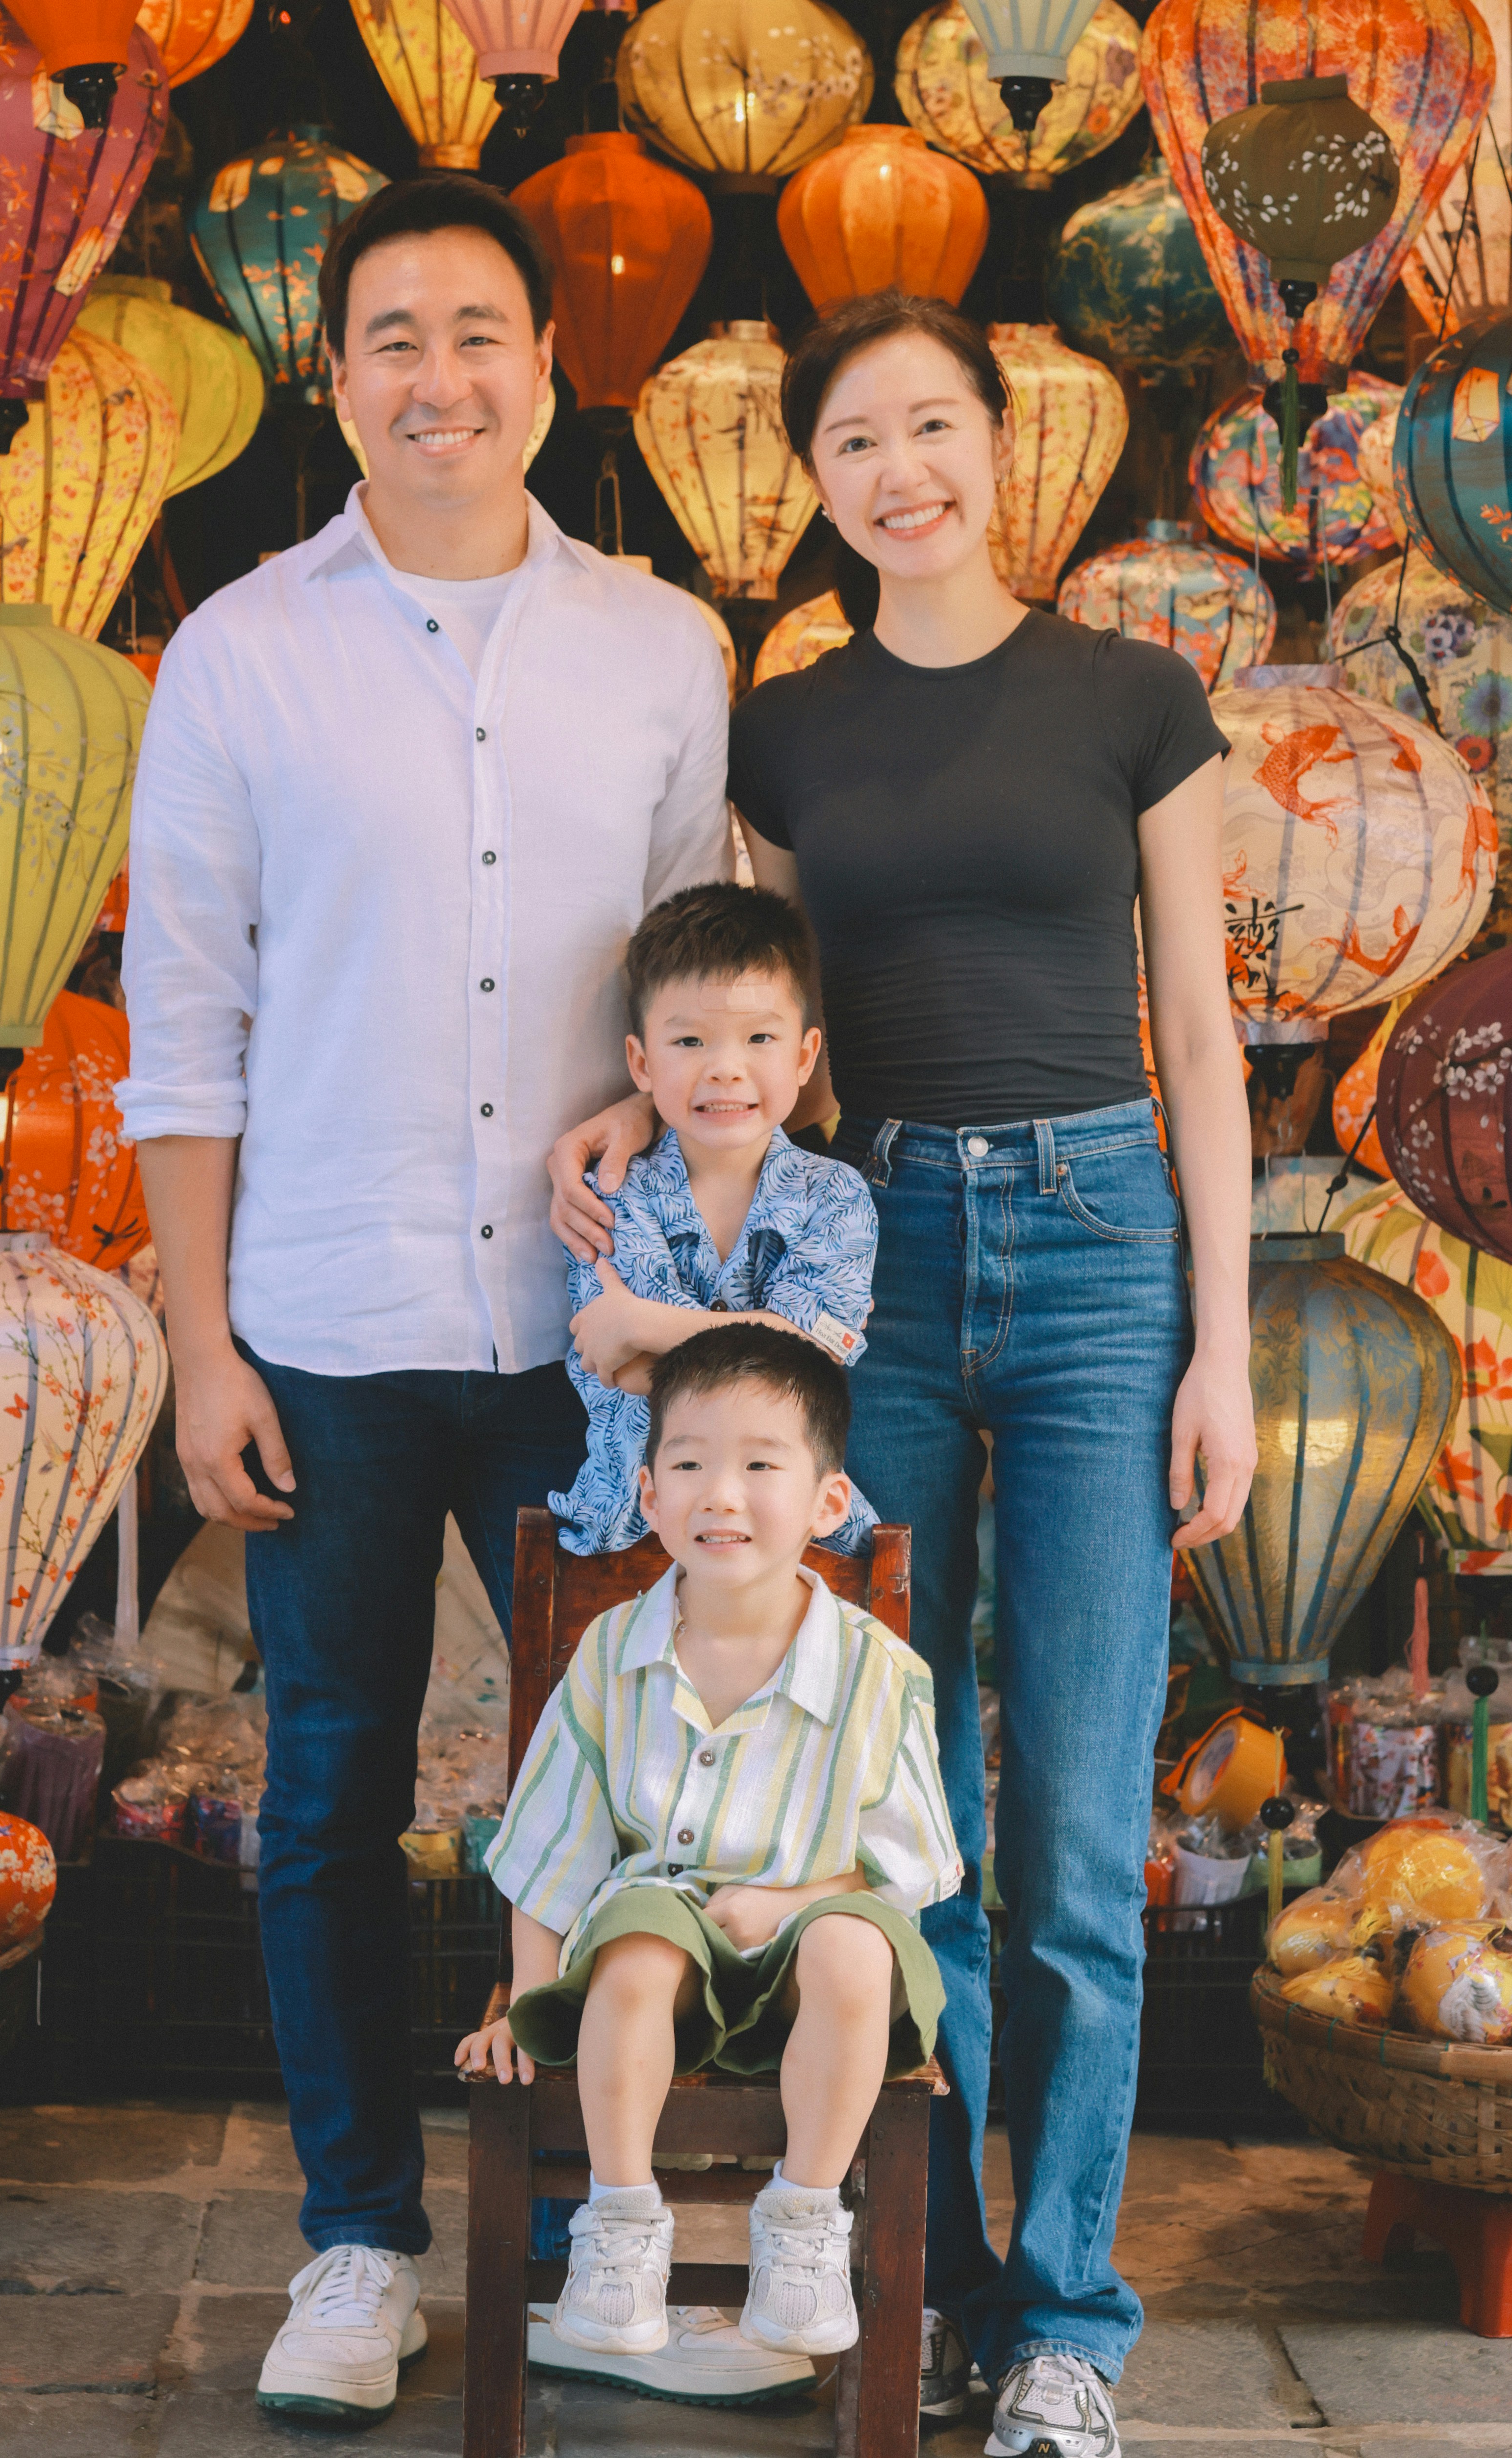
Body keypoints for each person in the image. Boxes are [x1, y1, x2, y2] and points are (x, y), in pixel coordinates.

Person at [548, 290, 1257, 2458]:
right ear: (817, 479)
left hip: (1100, 1247)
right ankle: (906, 2281)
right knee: (895, 1807)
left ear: (1000, 446)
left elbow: (1202, 1037)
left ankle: (1059, 2320)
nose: (898, 471)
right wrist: (619, 1104)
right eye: (852, 441)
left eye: (931, 426)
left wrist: (1223, 1336)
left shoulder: (1135, 696)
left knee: (1062, 1818)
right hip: (867, 1267)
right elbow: (737, 1022)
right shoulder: (786, 730)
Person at [119, 174, 735, 2426]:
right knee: (325, 1798)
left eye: (477, 331)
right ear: (337, 376)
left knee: (626, 1799)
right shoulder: (237, 654)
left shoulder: (663, 649)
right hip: (325, 1319)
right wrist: (199, 1344)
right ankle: (359, 2244)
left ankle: (601, 2231)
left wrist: (652, 1144)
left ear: (544, 369)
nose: (437, 375)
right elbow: (181, 1035)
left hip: (593, 1343)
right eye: (392, 337)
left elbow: (707, 996)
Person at [458, 1323, 962, 2359]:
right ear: (649, 1494)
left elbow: (911, 1863)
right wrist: (524, 1998)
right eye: (689, 1463)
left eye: (760, 1464)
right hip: (658, 1973)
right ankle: (623, 2223)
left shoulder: (877, 1669)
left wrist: (791, 1901)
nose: (720, 1493)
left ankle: (806, 2222)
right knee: (642, 1937)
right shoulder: (611, 1654)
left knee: (855, 1941)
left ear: (828, 1502)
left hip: (811, 1979)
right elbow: (552, 1841)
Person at [551, 879, 881, 1556]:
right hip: (631, 1524)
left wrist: (641, 1322)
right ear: (642, 1062)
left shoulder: (836, 1198)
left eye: (759, 1037)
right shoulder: (612, 1195)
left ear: (802, 1055)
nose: (725, 1069)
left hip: (797, 1533)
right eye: (691, 1041)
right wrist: (777, 1342)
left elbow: (808, 1371)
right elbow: (613, 1363)